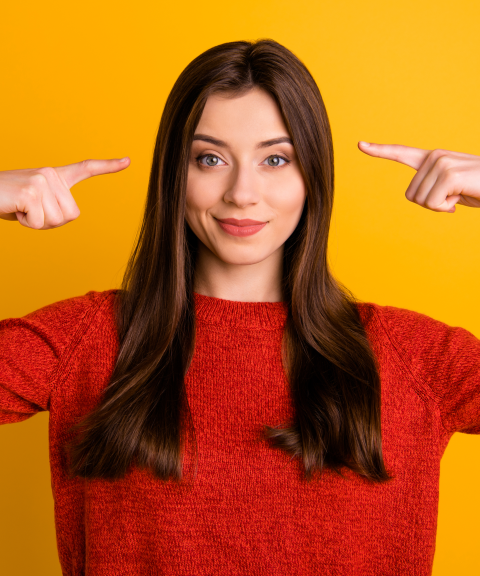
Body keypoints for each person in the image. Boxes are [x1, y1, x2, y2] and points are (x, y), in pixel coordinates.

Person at [0, 39, 479, 576]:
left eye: (276, 159)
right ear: (174, 176)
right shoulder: (87, 341)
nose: (242, 192)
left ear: (313, 175)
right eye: (210, 158)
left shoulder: (413, 357)